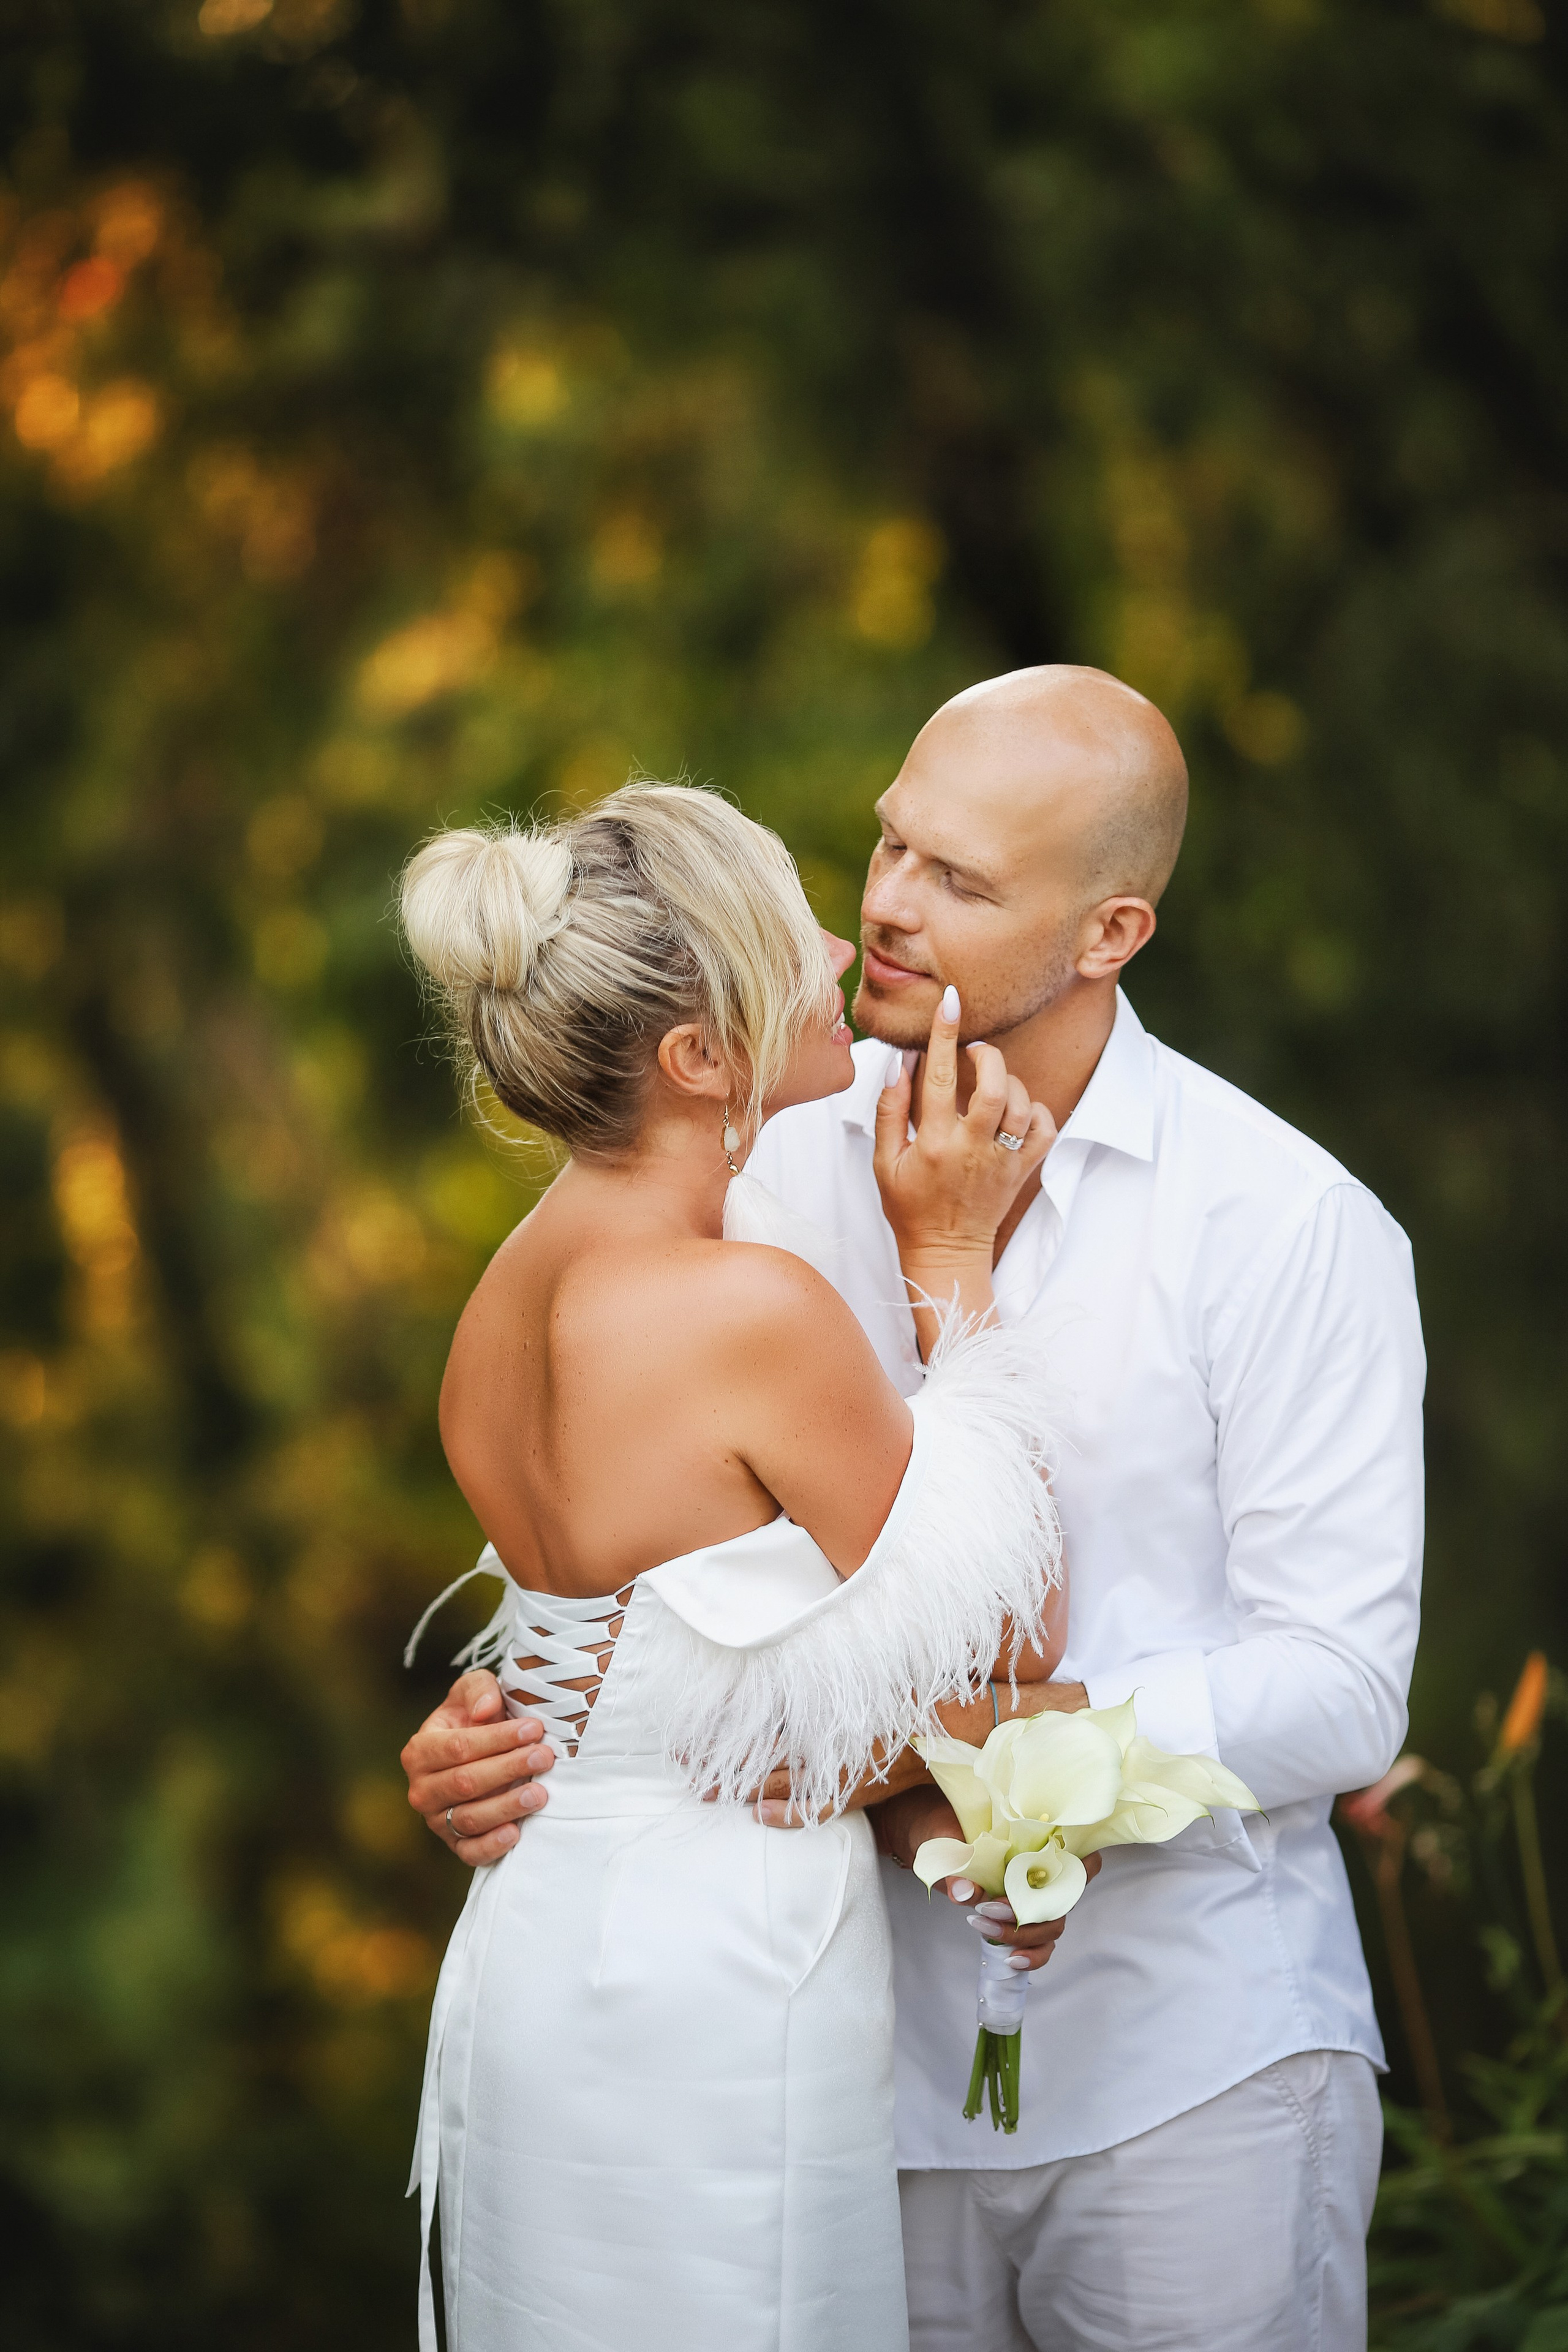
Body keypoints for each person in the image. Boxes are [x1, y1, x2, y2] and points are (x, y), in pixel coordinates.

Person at [404, 669, 1425, 2352]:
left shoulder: (1286, 1226)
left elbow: (1337, 1685)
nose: (881, 905)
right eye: (886, 844)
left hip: (1187, 2074)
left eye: (957, 879)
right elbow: (662, 1573)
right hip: (843, 2071)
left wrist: (1000, 1757)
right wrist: (524, 1721)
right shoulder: (768, 1173)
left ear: (1108, 931)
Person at [396, 780, 1074, 2352]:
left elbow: (607, 1639)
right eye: (793, 935)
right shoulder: (741, 1307)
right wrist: (950, 1259)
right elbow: (1013, 1616)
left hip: (533, 1938)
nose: (841, 942)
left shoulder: (495, 1308)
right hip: (715, 1962)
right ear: (701, 1060)